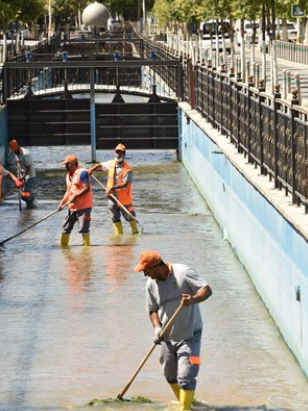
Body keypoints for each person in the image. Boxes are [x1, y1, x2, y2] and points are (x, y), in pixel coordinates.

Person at [133, 250, 213, 411]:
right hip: (167, 335)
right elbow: (152, 310)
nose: (144, 275)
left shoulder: (183, 273)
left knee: (187, 374)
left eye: (145, 270)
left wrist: (193, 299)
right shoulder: (150, 285)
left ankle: (185, 408)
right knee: (169, 374)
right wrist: (156, 328)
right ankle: (189, 402)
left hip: (191, 333)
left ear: (156, 267)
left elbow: (206, 290)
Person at [88, 143, 137, 234]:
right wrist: (91, 169)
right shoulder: (111, 164)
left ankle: (135, 233)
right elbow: (101, 165)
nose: (118, 155)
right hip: (112, 196)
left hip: (124, 199)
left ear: (124, 154)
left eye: (120, 153)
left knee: (129, 216)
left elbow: (125, 184)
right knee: (114, 217)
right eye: (117, 152)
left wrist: (112, 188)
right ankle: (119, 237)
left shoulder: (127, 169)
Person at [57, 154, 93, 247]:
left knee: (83, 229)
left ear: (73, 164)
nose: (65, 166)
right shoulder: (68, 176)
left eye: (67, 164)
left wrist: (76, 195)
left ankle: (86, 252)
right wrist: (62, 204)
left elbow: (87, 188)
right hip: (71, 207)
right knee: (65, 228)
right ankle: (63, 249)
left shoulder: (83, 173)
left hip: (84, 207)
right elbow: (68, 191)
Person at [6, 139, 36, 208]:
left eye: (13, 149)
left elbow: (28, 170)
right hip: (23, 177)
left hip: (30, 177)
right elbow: (18, 163)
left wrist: (21, 178)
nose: (13, 151)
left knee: (24, 195)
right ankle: (29, 211)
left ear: (17, 146)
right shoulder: (16, 153)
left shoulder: (26, 154)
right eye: (12, 149)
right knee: (22, 194)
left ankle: (33, 200)